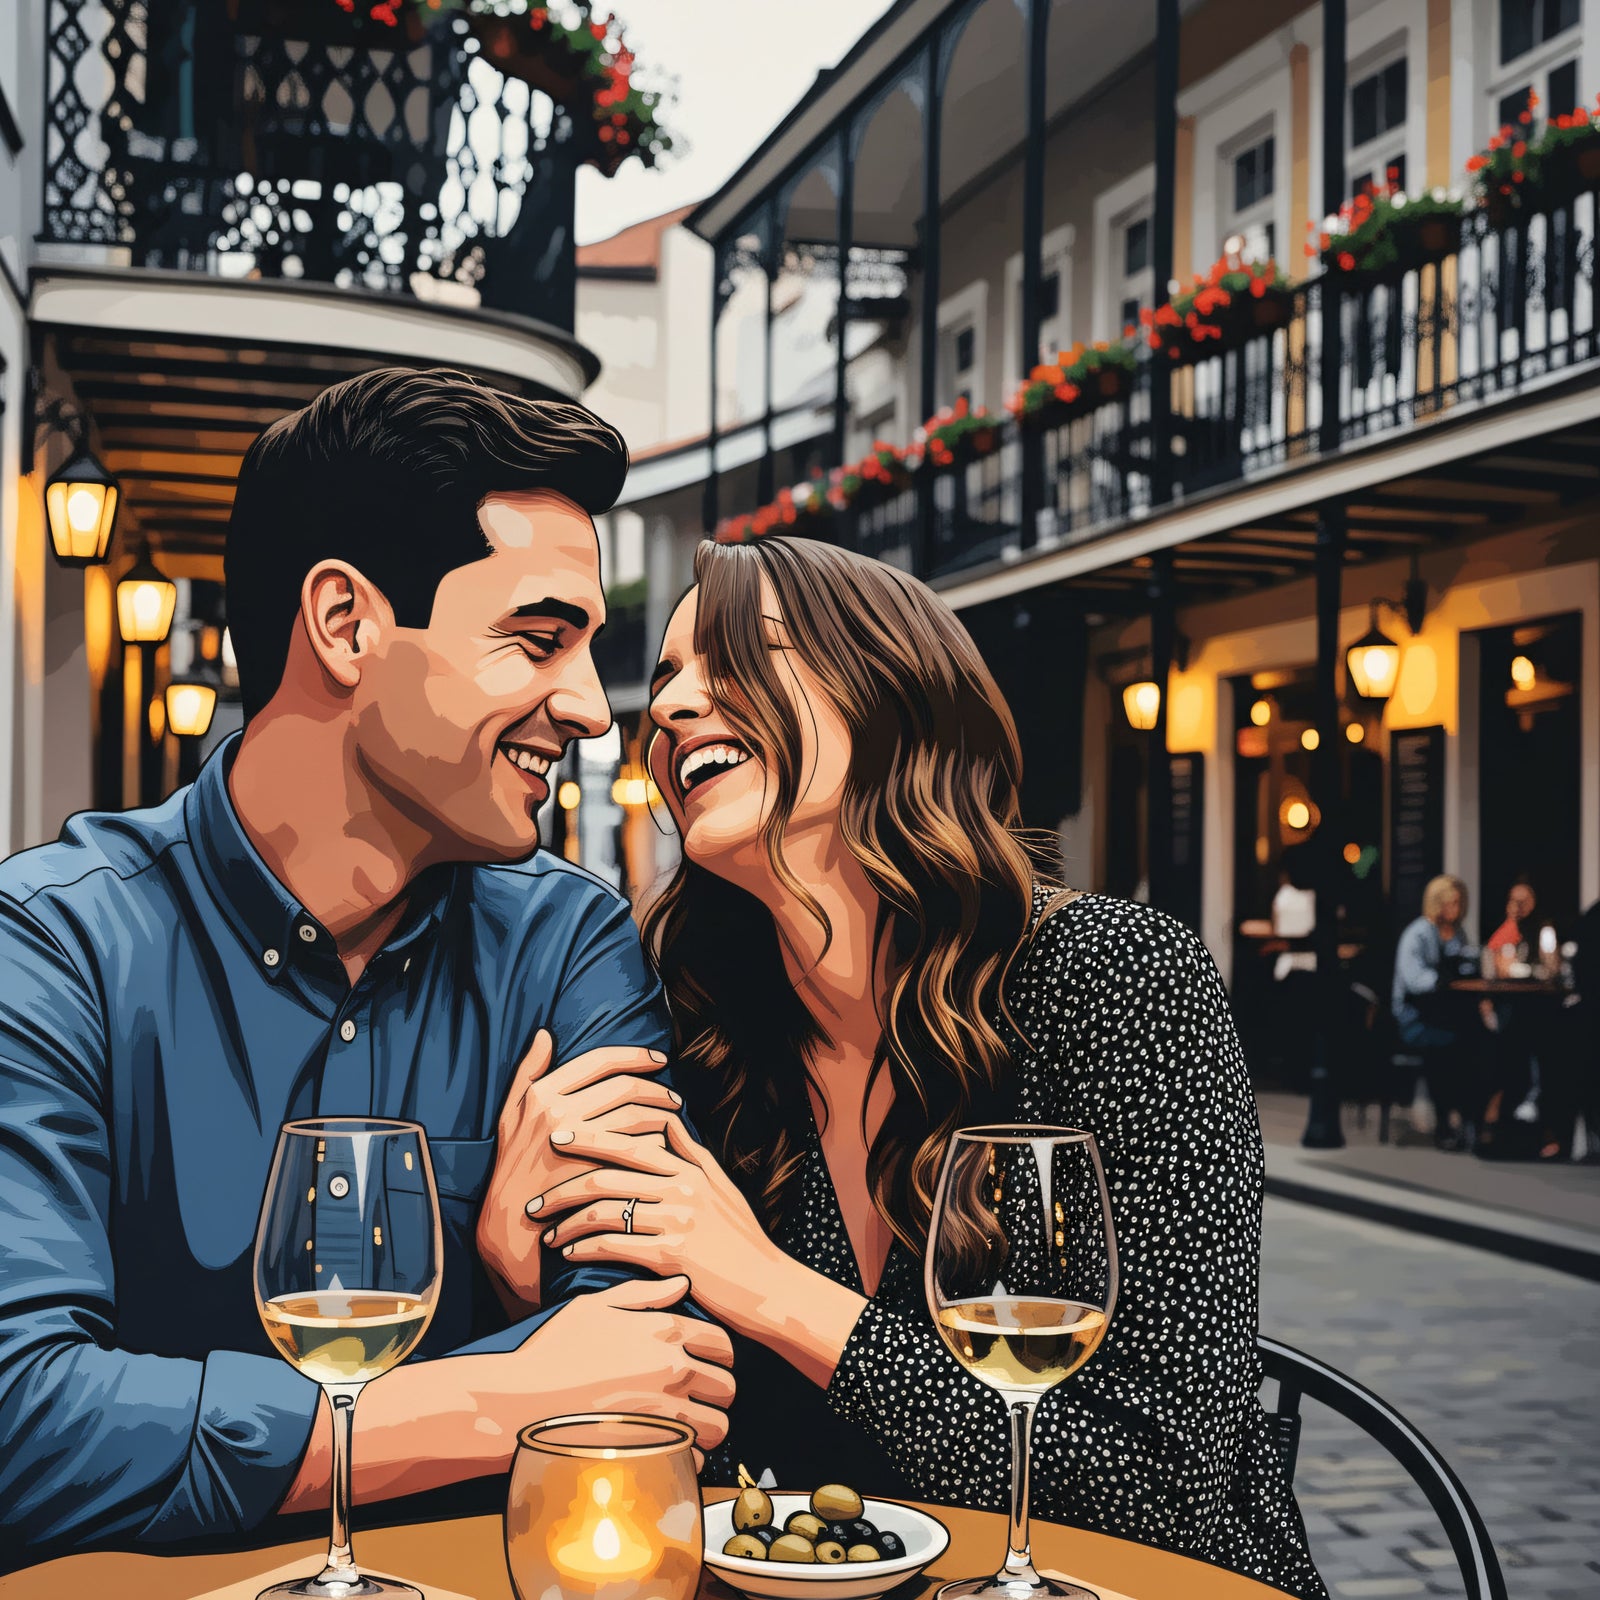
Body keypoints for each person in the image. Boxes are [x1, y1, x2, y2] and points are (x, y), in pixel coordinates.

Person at [0, 368, 735, 1570]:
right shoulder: (52, 947)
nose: (591, 713)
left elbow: (658, 1366)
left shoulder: (568, 944)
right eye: (538, 639)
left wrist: (517, 1286)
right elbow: (21, 1423)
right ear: (345, 624)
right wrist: (503, 1385)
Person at [513, 536, 1328, 1598]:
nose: (668, 707)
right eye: (665, 680)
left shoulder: (1117, 980)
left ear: (888, 698)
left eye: (738, 657)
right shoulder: (697, 1024)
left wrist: (771, 1290)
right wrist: (519, 1273)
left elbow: (1159, 1490)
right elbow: (670, 1440)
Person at [1391, 874, 1481, 1150]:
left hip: (1446, 1015)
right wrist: (1446, 979)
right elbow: (1416, 981)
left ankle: (1471, 1120)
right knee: (1447, 1049)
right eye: (1449, 903)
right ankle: (1445, 1122)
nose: (1454, 909)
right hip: (1415, 1018)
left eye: (1457, 903)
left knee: (1475, 1043)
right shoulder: (1418, 933)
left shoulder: (1457, 933)